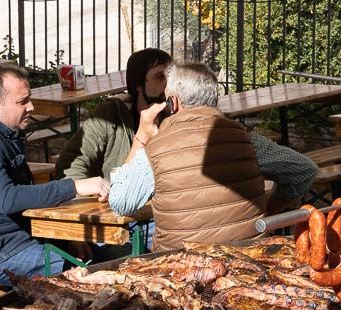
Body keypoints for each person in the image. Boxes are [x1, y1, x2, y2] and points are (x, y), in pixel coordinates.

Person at [56, 48, 317, 214]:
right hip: (123, 221)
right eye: (161, 77)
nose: (167, 84)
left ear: (176, 101)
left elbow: (122, 201)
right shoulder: (109, 117)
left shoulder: (168, 144)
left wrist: (270, 208)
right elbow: (71, 169)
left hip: (170, 238)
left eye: (169, 79)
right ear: (138, 86)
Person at [0, 63, 110, 285]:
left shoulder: (1, 132)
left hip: (12, 242)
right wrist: (74, 187)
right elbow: (8, 199)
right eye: (22, 102)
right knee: (90, 275)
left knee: (102, 255)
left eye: (29, 98)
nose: (31, 107)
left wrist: (65, 239)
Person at [107, 63, 267, 251]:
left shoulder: (157, 149)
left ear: (172, 103)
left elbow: (120, 202)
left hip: (181, 266)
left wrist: (141, 137)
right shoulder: (246, 139)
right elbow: (303, 170)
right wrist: (271, 209)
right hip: (250, 257)